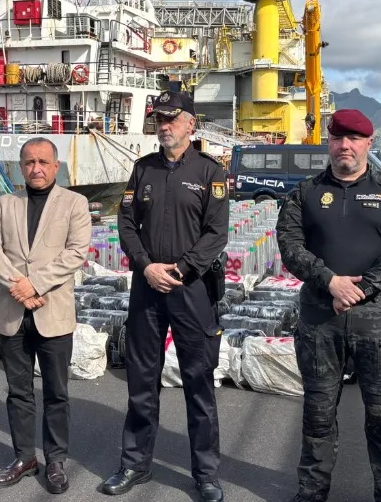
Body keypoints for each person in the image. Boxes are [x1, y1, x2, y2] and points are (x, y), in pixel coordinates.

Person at [276, 108, 381, 502]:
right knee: (318, 415)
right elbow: (290, 246)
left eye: (354, 139)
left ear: (368, 144)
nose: (346, 146)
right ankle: (311, 493)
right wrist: (330, 281)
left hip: (377, 324)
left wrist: (363, 288)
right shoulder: (305, 192)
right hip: (319, 322)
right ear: (329, 143)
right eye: (338, 138)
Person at [100, 91, 229, 502]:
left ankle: (205, 474)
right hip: (148, 287)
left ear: (191, 123)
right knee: (141, 381)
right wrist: (145, 266)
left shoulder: (211, 172)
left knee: (198, 383)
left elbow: (216, 233)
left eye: (172, 119)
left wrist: (183, 268)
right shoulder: (143, 170)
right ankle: (135, 464)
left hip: (191, 289)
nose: (164, 126)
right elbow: (125, 222)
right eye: (159, 120)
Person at [0, 137, 91, 494]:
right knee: (18, 391)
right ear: (21, 167)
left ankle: (56, 460)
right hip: (14, 310)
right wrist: (19, 286)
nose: (36, 168)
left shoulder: (75, 203)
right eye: (29, 162)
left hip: (53, 310)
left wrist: (35, 285)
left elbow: (75, 253)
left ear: (56, 166)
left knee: (57, 392)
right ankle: (24, 457)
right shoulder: (4, 204)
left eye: (43, 162)